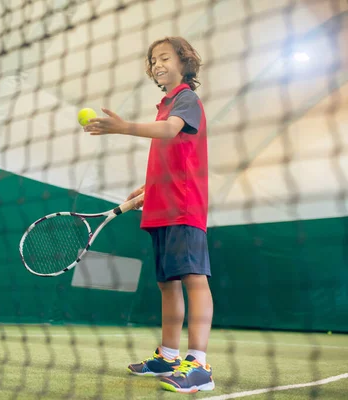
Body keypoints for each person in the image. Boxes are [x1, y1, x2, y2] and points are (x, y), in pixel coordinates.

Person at [83, 36, 214, 394]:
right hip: (161, 204)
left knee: (193, 278)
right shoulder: (164, 104)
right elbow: (171, 156)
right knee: (166, 283)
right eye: (153, 60)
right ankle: (169, 356)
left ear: (185, 62)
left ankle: (199, 365)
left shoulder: (186, 99)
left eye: (165, 57)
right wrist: (147, 189)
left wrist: (123, 127)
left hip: (184, 205)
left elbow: (171, 132)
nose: (157, 64)